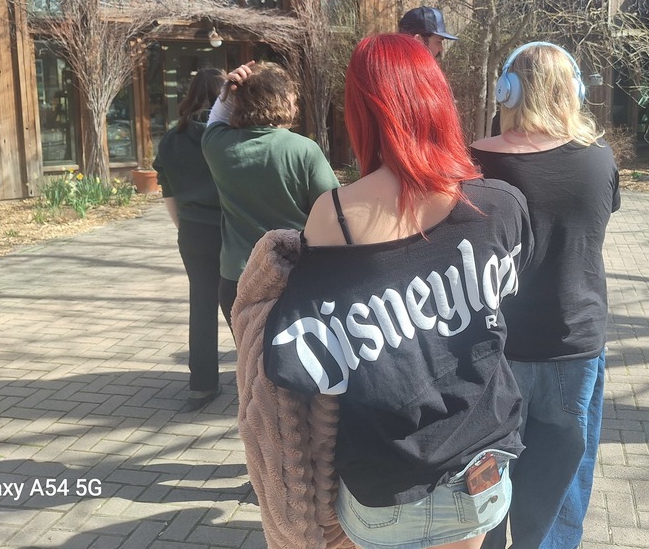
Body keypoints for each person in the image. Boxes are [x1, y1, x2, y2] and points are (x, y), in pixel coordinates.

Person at [234, 33, 534, 549]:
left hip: (383, 479)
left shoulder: (336, 214)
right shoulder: (502, 204)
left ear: (361, 112)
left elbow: (302, 360)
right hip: (481, 468)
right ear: (439, 101)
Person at [471, 41, 620, 549]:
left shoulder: (473, 161)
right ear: (573, 91)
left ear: (506, 90)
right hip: (572, 338)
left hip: (489, 346)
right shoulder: (599, 159)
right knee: (563, 474)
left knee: (482, 470)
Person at [202, 60, 339, 331]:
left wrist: (228, 90)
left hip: (237, 278)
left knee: (250, 366)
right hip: (294, 275)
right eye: (292, 96)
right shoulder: (303, 150)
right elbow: (335, 211)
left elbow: (215, 119)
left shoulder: (216, 146)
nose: (295, 103)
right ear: (281, 100)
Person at [153, 68, 227, 411]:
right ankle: (263, 379)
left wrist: (184, 226)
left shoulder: (171, 139)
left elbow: (168, 192)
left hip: (194, 230)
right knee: (247, 306)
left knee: (201, 304)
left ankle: (201, 384)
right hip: (233, 230)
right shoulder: (229, 135)